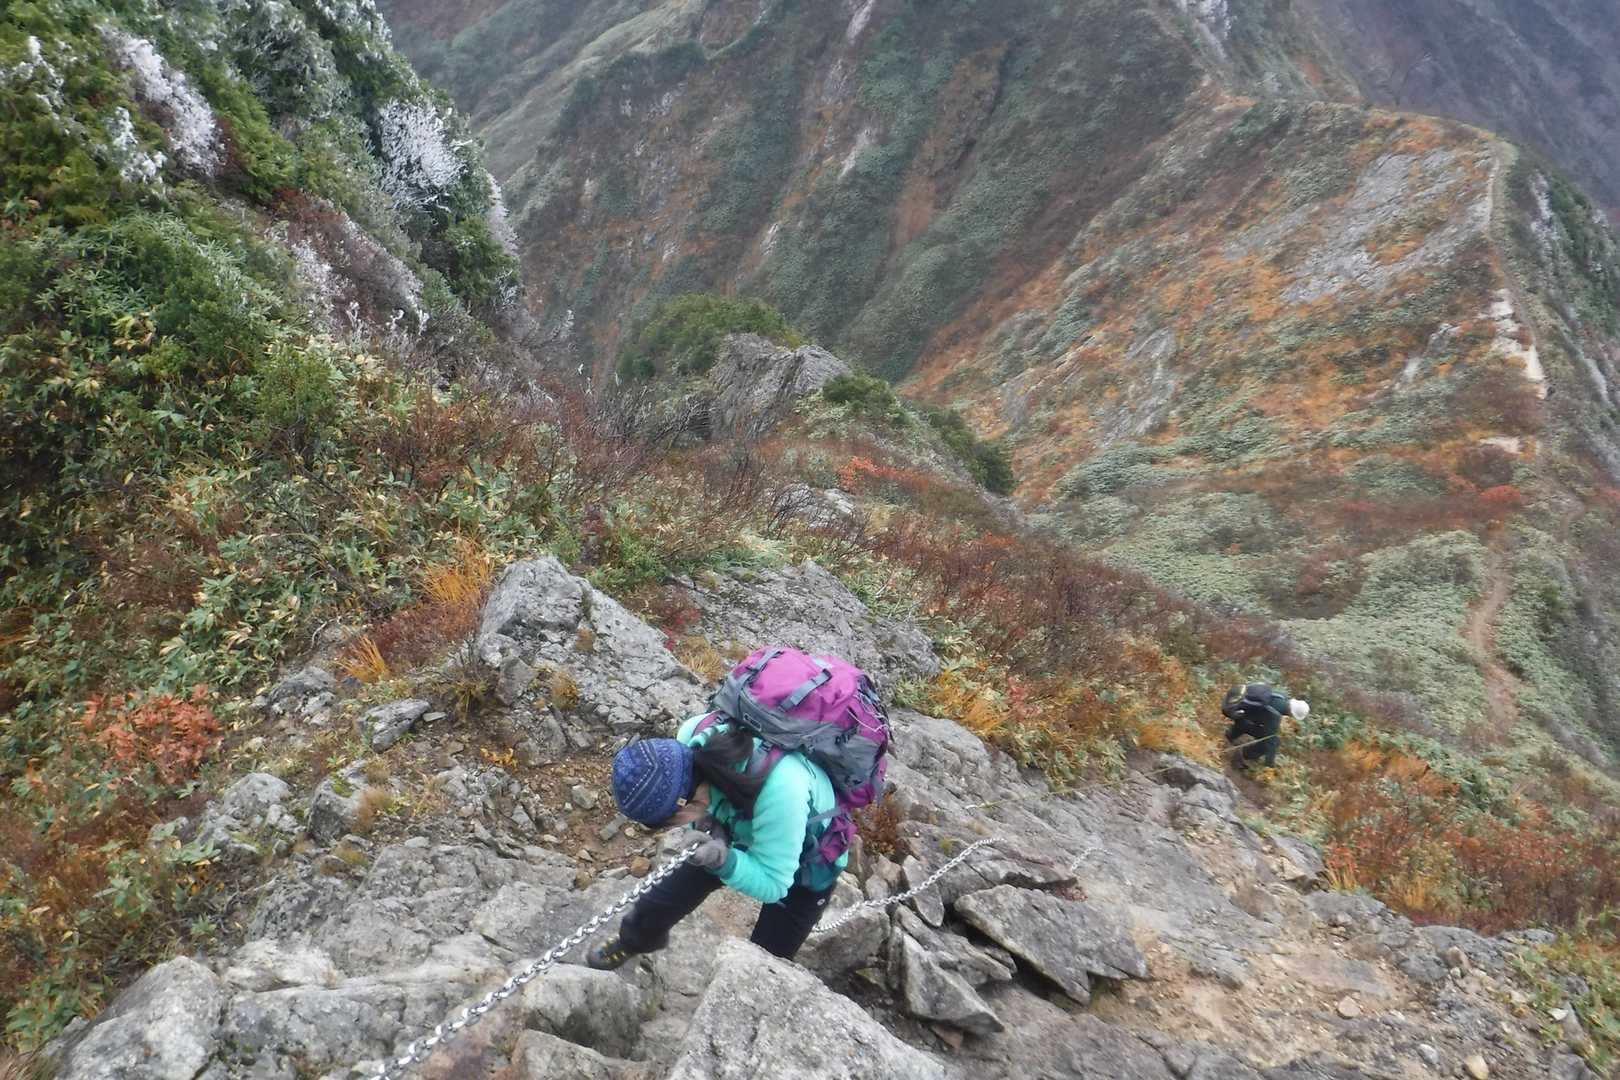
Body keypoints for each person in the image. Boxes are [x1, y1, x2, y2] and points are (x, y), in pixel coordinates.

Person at [585, 711, 848, 969]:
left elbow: (775, 884)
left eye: (668, 822)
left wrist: (724, 862)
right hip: (731, 824)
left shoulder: (782, 790)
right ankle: (632, 940)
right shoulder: (690, 738)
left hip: (810, 859)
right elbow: (696, 801)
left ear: (686, 804)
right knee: (657, 903)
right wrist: (705, 822)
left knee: (767, 958)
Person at [1221, 682, 1309, 769]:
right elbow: (1270, 741)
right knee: (1274, 741)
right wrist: (1270, 766)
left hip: (1238, 707)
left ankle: (1230, 734)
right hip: (1240, 715)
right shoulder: (1275, 714)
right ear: (1291, 713)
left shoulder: (1281, 696)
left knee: (1248, 724)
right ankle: (1244, 754)